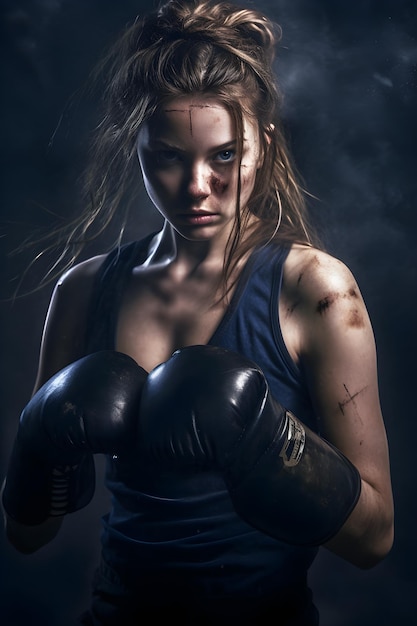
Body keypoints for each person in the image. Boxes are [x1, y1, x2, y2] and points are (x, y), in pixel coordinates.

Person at [2, 0, 394, 624]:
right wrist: (39, 445)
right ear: (137, 146)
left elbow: (374, 540)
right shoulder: (83, 291)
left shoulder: (316, 290)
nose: (195, 187)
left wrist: (266, 442)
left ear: (261, 147)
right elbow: (29, 537)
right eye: (168, 156)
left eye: (223, 156)